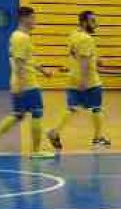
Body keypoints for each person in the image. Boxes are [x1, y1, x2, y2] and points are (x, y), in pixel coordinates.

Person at [0, 7, 54, 159]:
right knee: (37, 113)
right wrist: (21, 84)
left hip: (21, 82)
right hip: (27, 83)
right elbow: (19, 63)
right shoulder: (21, 38)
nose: (34, 21)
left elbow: (28, 60)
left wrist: (43, 71)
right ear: (24, 19)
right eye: (32, 18)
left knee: (18, 115)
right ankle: (36, 151)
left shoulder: (19, 36)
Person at [47, 11, 110, 151]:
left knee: (72, 108)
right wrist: (84, 80)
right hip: (89, 80)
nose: (96, 24)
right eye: (93, 21)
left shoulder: (73, 35)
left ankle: (55, 132)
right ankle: (97, 139)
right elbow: (84, 60)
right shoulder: (86, 39)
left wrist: (96, 60)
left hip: (72, 78)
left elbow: (79, 55)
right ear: (84, 22)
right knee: (96, 108)